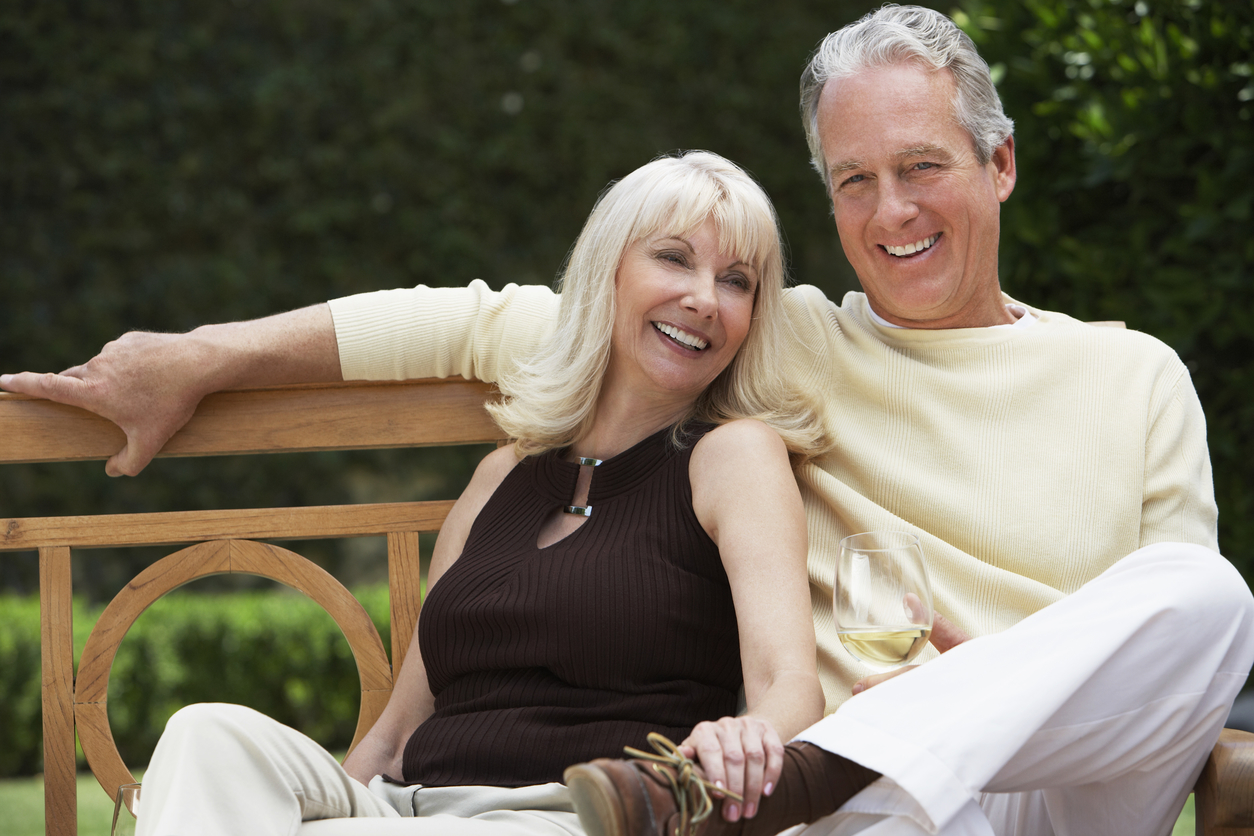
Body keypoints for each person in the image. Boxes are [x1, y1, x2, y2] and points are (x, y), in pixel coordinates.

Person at [4, 5, 1252, 835]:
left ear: (1002, 165)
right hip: (873, 806)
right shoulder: (791, 338)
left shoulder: (1134, 374)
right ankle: (790, 774)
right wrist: (201, 353)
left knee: (1212, 601)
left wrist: (982, 671)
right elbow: (474, 318)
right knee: (216, 737)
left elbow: (1181, 674)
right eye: (855, 180)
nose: (891, 211)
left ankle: (782, 773)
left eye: (922, 165)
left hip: (1055, 794)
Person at [125, 151, 827, 835]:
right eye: (674, 258)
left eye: (736, 280)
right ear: (605, 274)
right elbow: (399, 729)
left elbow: (789, 682)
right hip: (406, 809)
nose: (704, 298)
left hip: (571, 815)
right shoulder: (501, 475)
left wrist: (749, 739)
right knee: (205, 734)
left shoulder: (733, 457)